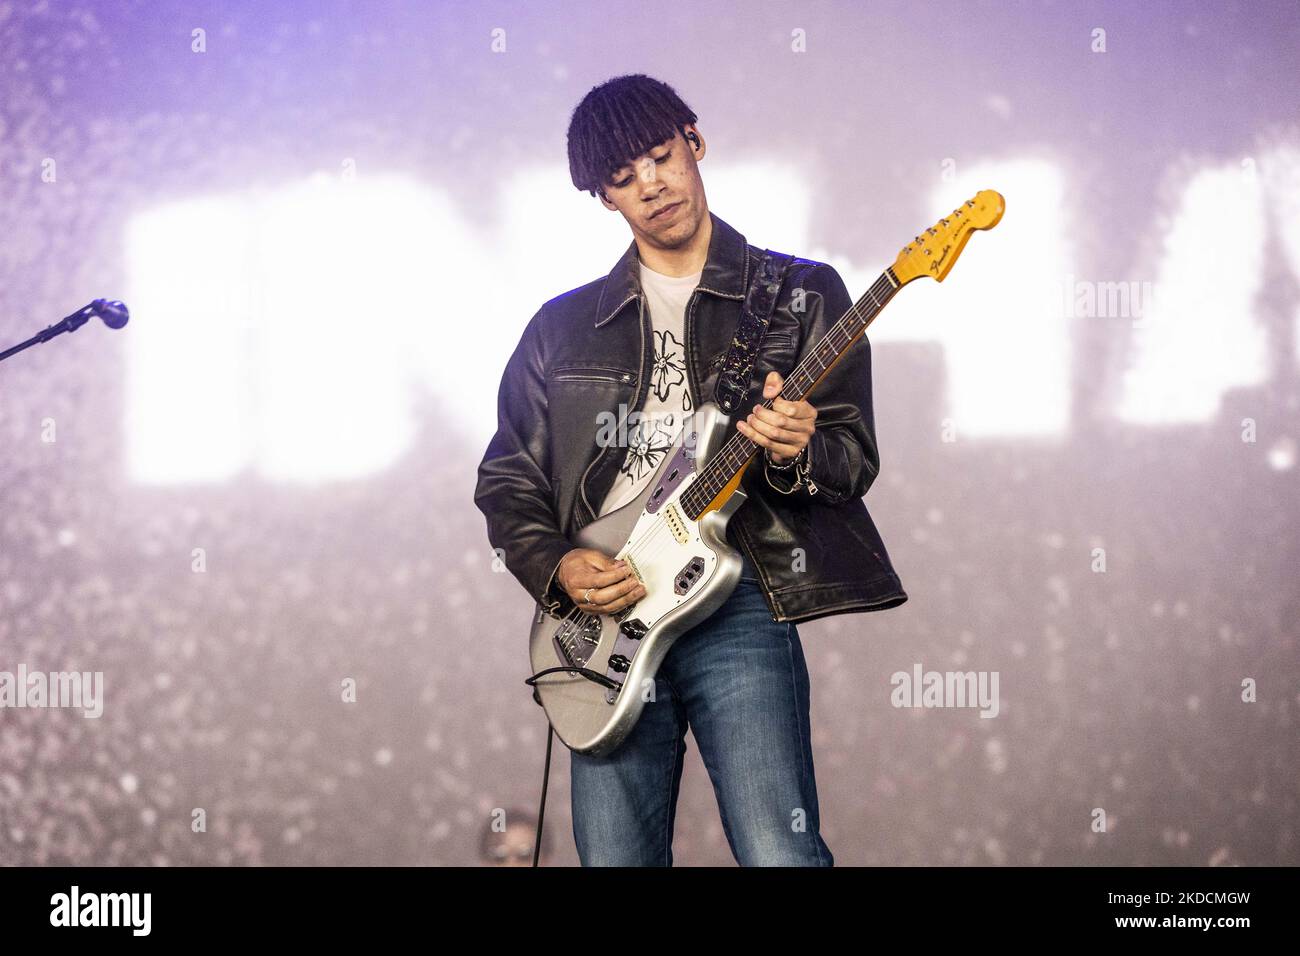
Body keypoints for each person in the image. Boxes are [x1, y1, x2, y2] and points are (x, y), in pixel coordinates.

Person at [474, 73, 907, 866]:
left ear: (695, 145)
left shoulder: (802, 296)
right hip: (603, 618)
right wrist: (558, 564)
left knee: (782, 854)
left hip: (736, 599)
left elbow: (849, 463)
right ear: (605, 199)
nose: (652, 185)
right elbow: (507, 482)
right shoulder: (560, 330)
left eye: (661, 156)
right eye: (623, 177)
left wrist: (796, 446)